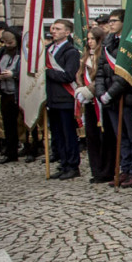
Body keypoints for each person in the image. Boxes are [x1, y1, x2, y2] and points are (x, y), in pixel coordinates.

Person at [99, 9, 132, 188]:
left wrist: (111, 93)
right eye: (109, 21)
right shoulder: (108, 42)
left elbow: (126, 74)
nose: (110, 24)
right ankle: (124, 169)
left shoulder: (129, 43)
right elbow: (101, 69)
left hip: (127, 97)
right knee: (121, 137)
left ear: (124, 23)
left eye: (114, 21)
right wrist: (101, 93)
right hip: (110, 99)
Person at [75, 27, 115, 183]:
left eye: (92, 39)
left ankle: (107, 170)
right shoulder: (85, 56)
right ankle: (96, 170)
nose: (90, 42)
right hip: (89, 102)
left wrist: (91, 90)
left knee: (105, 137)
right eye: (88, 39)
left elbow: (102, 76)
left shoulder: (103, 54)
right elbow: (79, 75)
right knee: (91, 136)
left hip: (101, 100)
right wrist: (81, 88)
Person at [45, 18, 81, 180]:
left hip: (65, 98)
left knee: (68, 134)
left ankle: (73, 166)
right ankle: (63, 163)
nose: (54, 31)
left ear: (67, 32)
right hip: (52, 99)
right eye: (53, 28)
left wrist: (47, 71)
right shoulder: (49, 49)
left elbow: (68, 75)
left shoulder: (71, 52)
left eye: (58, 29)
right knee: (58, 135)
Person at [0, 27, 21, 163]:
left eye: (10, 43)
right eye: (5, 43)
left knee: (24, 124)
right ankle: (10, 152)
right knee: (8, 124)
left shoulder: (23, 52)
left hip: (19, 92)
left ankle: (31, 148)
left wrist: (14, 74)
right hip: (5, 92)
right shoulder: (1, 52)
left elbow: (29, 71)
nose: (8, 45)